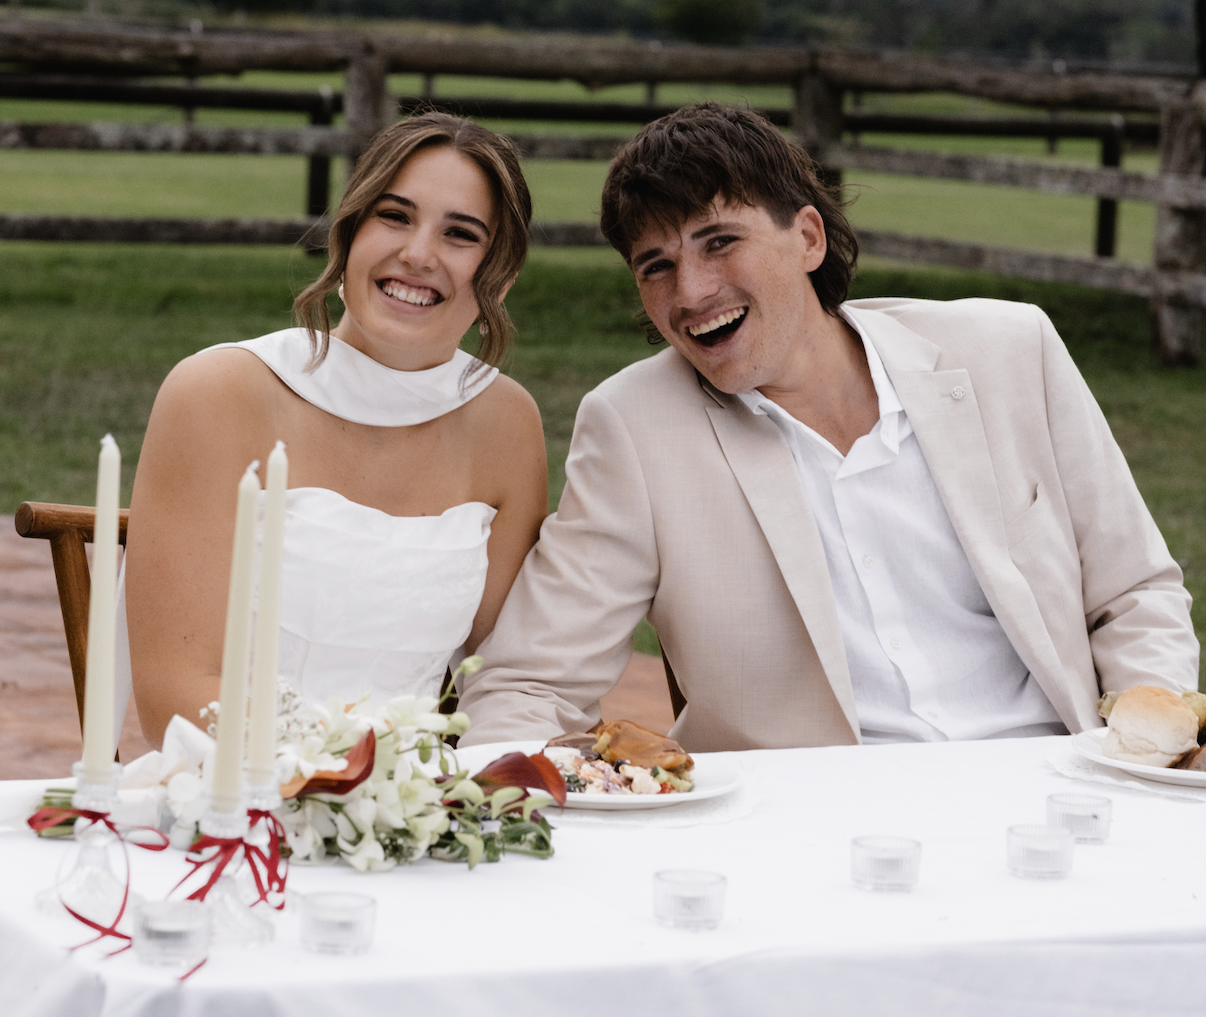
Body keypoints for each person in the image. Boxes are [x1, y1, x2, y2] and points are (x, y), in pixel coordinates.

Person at [459, 103, 1198, 751]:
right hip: (814, 838)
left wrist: (1143, 756)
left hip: (1053, 786)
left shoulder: (1010, 351)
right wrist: (509, 797)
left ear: (808, 237)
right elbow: (530, 681)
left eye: (720, 241)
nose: (691, 292)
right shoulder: (635, 427)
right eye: (656, 266)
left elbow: (1134, 593)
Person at [125, 113, 547, 742]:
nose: (418, 253)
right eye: (394, 216)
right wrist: (352, 791)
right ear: (347, 235)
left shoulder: (507, 424)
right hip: (229, 796)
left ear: (502, 275)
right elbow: (178, 697)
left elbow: (504, 678)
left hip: (415, 817)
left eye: (460, 234)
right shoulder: (218, 394)